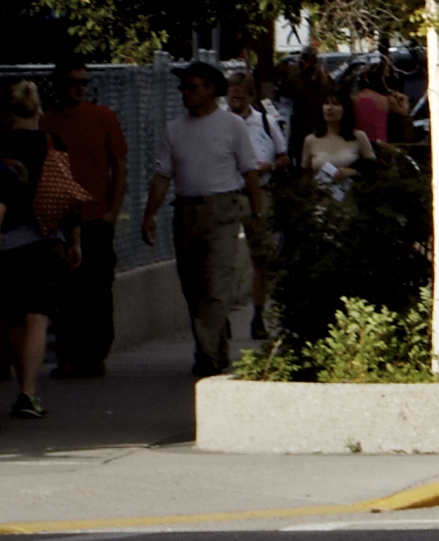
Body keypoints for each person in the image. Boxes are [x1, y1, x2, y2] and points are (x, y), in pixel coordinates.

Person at [144, 63, 262, 376]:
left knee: (217, 283)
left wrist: (258, 212)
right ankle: (218, 347)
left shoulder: (231, 126)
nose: (185, 92)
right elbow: (162, 174)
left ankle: (206, 353)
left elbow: (250, 171)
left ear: (211, 88)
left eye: (191, 86)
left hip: (222, 210)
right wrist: (149, 215)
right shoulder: (175, 129)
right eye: (183, 87)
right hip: (186, 212)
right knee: (194, 287)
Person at [40, 61, 126, 379]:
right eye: (72, 82)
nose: (78, 88)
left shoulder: (103, 117)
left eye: (83, 82)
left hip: (94, 217)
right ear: (58, 86)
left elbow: (119, 165)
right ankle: (67, 356)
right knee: (65, 293)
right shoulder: (46, 122)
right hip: (59, 219)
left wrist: (111, 213)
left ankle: (95, 354)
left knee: (98, 289)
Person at [1, 78, 67, 419]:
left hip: (9, 242)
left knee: (14, 318)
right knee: (37, 316)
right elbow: (65, 192)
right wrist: (76, 240)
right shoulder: (51, 142)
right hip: (46, 238)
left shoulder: (1, 146)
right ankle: (29, 392)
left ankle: (19, 385)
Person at [229, 70, 286, 339]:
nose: (235, 103)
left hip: (259, 193)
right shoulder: (221, 123)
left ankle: (258, 315)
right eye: (231, 97)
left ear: (251, 97)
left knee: (260, 257)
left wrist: (270, 166)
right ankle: (223, 316)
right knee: (224, 258)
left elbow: (284, 157)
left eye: (240, 97)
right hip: (229, 194)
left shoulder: (265, 123)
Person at [296, 91, 377, 201]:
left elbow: (372, 168)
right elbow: (305, 175)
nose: (329, 108)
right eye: (326, 103)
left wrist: (354, 172)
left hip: (350, 202)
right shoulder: (311, 140)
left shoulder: (358, 137)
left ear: (345, 109)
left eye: (335, 104)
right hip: (319, 203)